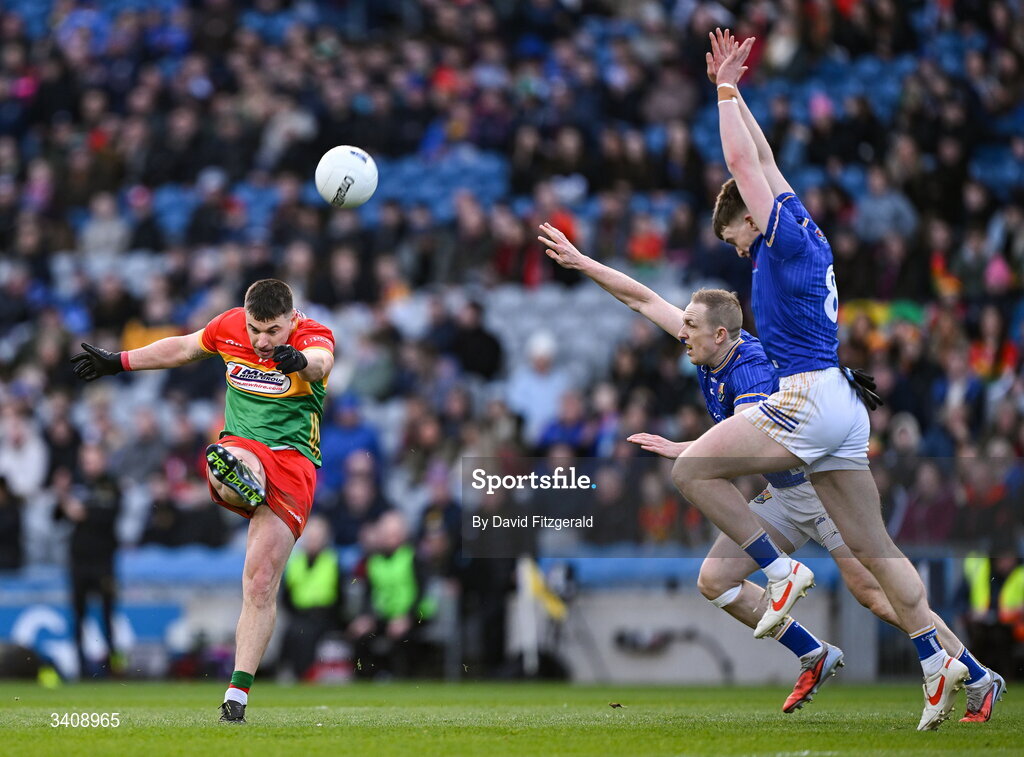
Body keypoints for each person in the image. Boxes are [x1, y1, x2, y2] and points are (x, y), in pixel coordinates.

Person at [538, 227, 1000, 717]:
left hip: (820, 489)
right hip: (782, 495)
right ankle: (813, 653)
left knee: (875, 594)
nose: (681, 333)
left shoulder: (750, 366)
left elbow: (752, 436)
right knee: (716, 581)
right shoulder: (707, 347)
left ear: (720, 333)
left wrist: (688, 450)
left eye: (690, 326)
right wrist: (583, 263)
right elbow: (643, 298)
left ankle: (974, 673)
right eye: (684, 324)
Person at [676, 28, 991, 729]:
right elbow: (759, 157)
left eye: (732, 236)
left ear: (747, 219)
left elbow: (737, 158)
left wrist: (725, 91)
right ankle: (939, 662)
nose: (734, 247)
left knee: (692, 470)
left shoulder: (776, 235)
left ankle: (780, 570)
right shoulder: (802, 224)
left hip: (808, 397)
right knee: (879, 553)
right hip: (846, 404)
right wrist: (739, 92)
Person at [70, 278, 335, 724]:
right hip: (244, 445)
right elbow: (183, 348)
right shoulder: (229, 327)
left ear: (291, 319)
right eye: (255, 329)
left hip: (293, 465)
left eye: (273, 331)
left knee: (260, 582)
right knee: (224, 455)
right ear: (244, 316)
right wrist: (119, 362)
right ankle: (240, 479)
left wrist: (298, 360)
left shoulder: (313, 334)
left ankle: (237, 696)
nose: (262, 340)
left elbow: (320, 363)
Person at [54, 443, 121, 678]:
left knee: (107, 615)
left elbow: (109, 516)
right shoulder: (76, 484)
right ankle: (81, 668)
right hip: (78, 560)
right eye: (86, 460)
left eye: (92, 459)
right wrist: (61, 495)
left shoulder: (111, 485)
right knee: (78, 615)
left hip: (103, 559)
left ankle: (113, 666)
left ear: (103, 460)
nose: (88, 464)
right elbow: (57, 517)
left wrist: (82, 512)